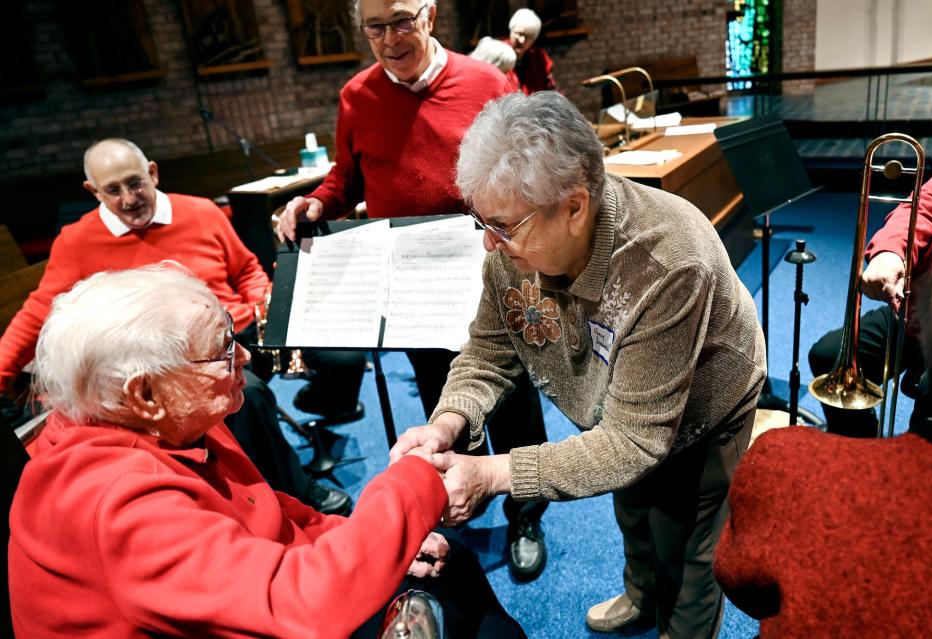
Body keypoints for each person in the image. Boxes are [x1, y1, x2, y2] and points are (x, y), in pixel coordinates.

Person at [390, 91, 766, 636]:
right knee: (633, 511)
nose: (490, 245)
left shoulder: (668, 258)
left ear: (574, 206)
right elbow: (490, 349)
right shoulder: (515, 238)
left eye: (502, 227)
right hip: (617, 409)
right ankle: (641, 597)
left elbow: (634, 443)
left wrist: (495, 473)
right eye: (481, 222)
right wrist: (450, 421)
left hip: (705, 411)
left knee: (688, 552)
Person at [7, 265, 525, 639]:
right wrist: (415, 481)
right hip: (284, 611)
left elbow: (267, 511)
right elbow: (304, 609)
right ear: (144, 394)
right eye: (222, 348)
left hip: (268, 598)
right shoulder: (118, 504)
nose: (246, 355)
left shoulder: (174, 425)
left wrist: (363, 535)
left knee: (448, 564)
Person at [277, 0, 552, 580]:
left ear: (429, 14)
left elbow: (533, 163)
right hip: (411, 279)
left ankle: (526, 509)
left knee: (513, 393)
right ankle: (462, 489)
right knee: (441, 390)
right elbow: (345, 178)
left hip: (491, 267)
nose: (388, 37)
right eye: (374, 27)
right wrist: (316, 203)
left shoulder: (485, 81)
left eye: (401, 20)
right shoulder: (358, 96)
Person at [0, 138, 356, 515]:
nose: (128, 199)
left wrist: (263, 306)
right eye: (112, 190)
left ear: (153, 173)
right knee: (249, 396)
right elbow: (39, 311)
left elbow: (247, 270)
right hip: (177, 360)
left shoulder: (201, 211)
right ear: (93, 191)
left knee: (343, 355)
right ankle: (294, 494)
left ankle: (317, 402)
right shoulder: (76, 241)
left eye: (135, 183)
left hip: (240, 328)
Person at [714, 248, 932, 637]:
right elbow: (928, 200)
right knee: (828, 353)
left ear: (926, 339)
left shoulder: (781, 462)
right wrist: (891, 250)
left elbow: (739, 578)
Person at [808, 154, 932, 437]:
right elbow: (923, 207)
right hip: (912, 307)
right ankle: (862, 455)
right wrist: (890, 252)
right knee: (828, 356)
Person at [507, 8, 558, 95]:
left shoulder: (540, 58)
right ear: (511, 31)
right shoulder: (496, 53)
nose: (522, 40)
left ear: (534, 40)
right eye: (519, 33)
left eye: (528, 36)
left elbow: (550, 91)